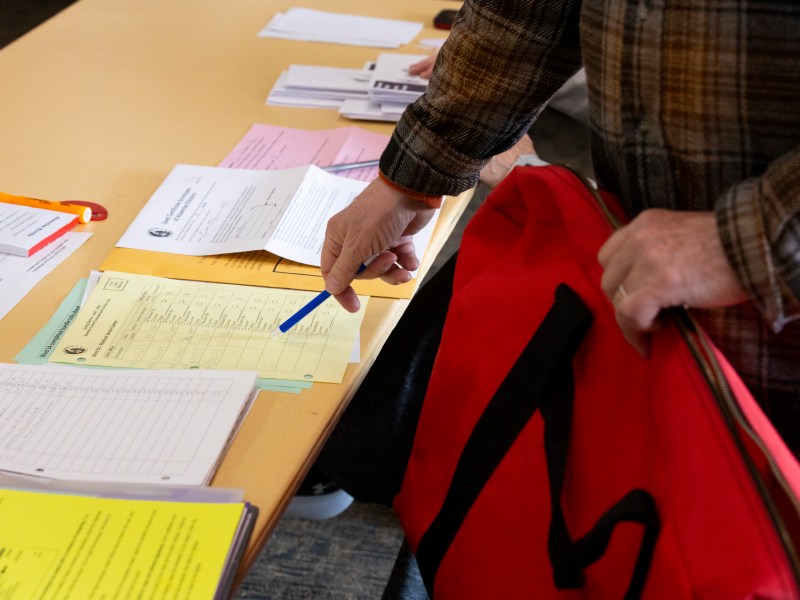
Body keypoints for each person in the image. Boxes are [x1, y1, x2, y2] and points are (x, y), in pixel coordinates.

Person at [319, 0, 800, 460]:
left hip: (774, 324)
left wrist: (757, 238)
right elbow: (521, 18)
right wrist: (413, 176)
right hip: (643, 290)